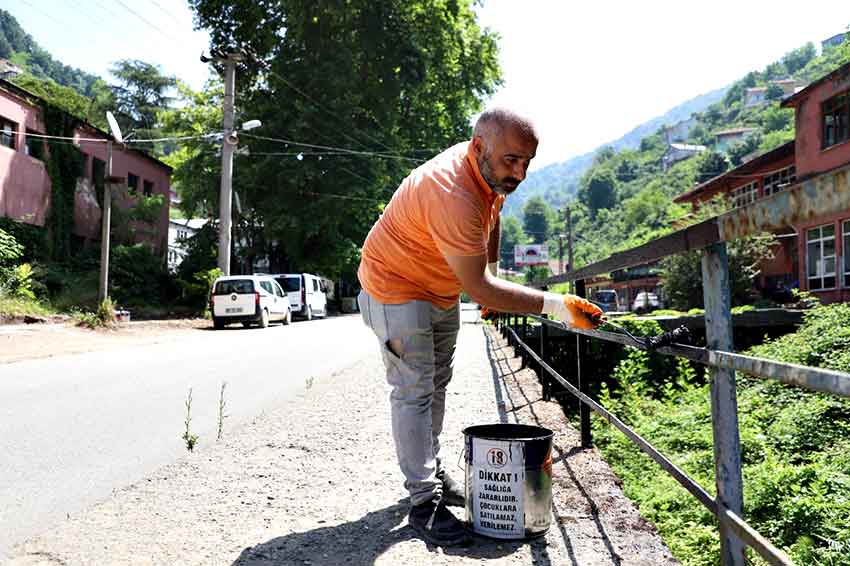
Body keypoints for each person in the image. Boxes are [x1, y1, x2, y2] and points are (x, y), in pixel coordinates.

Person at [357, 107, 603, 546]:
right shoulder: (454, 192)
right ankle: (423, 503)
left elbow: (494, 217)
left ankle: (428, 475)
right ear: (479, 149)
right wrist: (557, 306)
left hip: (438, 286)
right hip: (394, 285)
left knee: (436, 382)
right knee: (414, 389)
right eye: (512, 160)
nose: (521, 173)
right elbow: (482, 291)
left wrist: (490, 267)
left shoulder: (490, 173)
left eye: (528, 162)